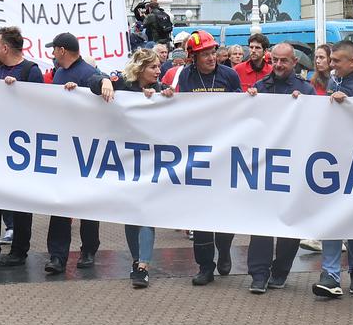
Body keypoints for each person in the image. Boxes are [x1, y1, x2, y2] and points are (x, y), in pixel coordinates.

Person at [161, 31, 241, 285]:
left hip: (226, 151)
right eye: (205, 54)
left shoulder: (228, 75)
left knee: (226, 208)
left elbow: (242, 109)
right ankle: (205, 266)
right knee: (200, 211)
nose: (211, 58)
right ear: (193, 57)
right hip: (198, 152)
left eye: (212, 52)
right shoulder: (186, 76)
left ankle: (225, 249)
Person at [312, 40, 353, 300]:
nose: (331, 64)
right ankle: (330, 274)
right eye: (331, 60)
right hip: (333, 160)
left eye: (337, 61)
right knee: (333, 215)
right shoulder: (333, 83)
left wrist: (349, 104)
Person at [92, 48, 165, 288]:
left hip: (150, 161)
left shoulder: (160, 87)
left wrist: (166, 96)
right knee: (131, 212)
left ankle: (143, 265)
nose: (158, 70)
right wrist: (103, 82)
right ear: (140, 68)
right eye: (153, 67)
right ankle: (136, 260)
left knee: (147, 212)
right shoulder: (122, 85)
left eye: (158, 66)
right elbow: (92, 81)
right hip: (124, 159)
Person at [0, 26, 44, 268]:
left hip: (21, 147)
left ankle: (19, 251)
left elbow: (39, 105)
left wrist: (18, 92)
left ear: (5, 47)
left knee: (20, 199)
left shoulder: (30, 71)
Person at [245, 42, 311, 294]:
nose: (279, 65)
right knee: (261, 221)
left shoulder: (305, 91)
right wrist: (250, 102)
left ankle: (280, 271)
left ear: (295, 62)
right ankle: (258, 274)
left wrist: (304, 105)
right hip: (265, 166)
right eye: (275, 60)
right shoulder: (260, 88)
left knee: (288, 224)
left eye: (284, 61)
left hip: (293, 167)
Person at [46, 32, 105, 275]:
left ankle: (89, 249)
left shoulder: (85, 72)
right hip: (64, 147)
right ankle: (57, 256)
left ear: (62, 50)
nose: (52, 54)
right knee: (60, 202)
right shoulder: (60, 72)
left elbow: (100, 85)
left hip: (85, 148)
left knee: (86, 203)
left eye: (54, 49)